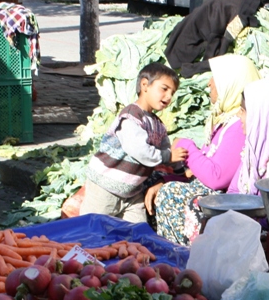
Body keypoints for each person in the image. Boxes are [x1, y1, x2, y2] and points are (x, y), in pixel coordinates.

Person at [146, 54, 260, 245]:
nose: (209, 83)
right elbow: (199, 168)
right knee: (153, 180)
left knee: (170, 193)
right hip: (204, 188)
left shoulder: (239, 127)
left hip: (225, 201)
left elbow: (217, 178)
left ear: (229, 83)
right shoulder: (224, 120)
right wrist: (164, 180)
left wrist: (186, 146)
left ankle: (181, 259)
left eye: (215, 77)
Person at [79, 62, 188, 223]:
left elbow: (168, 153)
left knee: (137, 232)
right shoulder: (131, 116)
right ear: (145, 85)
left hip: (132, 192)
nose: (169, 97)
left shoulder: (158, 124)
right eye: (164, 89)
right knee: (91, 230)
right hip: (105, 188)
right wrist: (169, 156)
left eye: (172, 92)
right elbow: (141, 152)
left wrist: (182, 171)